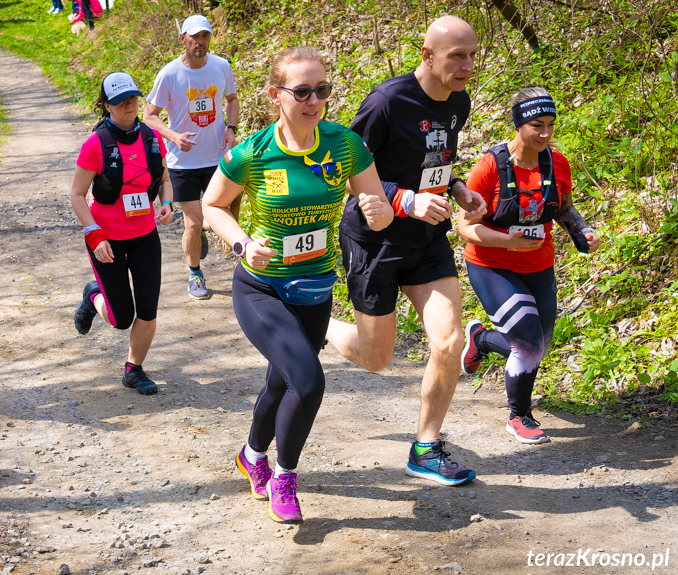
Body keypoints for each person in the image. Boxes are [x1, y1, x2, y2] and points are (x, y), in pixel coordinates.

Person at [203, 46, 392, 523]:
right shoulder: (253, 152)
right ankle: (284, 478)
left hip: (315, 289)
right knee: (307, 383)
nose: (313, 100)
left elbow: (378, 202)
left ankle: (251, 454)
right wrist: (243, 244)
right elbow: (211, 207)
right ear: (275, 95)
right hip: (261, 288)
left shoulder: (344, 144)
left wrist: (380, 211)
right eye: (302, 91)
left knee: (282, 381)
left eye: (321, 91)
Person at [325, 15, 486, 487]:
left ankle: (425, 447)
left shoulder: (459, 102)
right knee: (377, 358)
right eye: (457, 55)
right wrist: (405, 200)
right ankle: (318, 326)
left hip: (427, 241)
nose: (467, 66)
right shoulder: (387, 102)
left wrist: (456, 188)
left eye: (472, 55)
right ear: (427, 55)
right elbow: (347, 169)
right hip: (375, 239)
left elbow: (435, 161)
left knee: (449, 341)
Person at [458, 87, 600, 443]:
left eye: (551, 125)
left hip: (538, 265)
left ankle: (482, 339)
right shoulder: (490, 166)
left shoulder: (557, 162)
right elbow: (464, 227)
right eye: (537, 125)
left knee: (537, 344)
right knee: (529, 345)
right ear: (519, 124)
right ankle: (519, 415)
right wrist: (509, 241)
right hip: (492, 265)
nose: (546, 134)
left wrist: (583, 231)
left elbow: (564, 208)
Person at [70, 72, 174, 396]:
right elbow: (76, 194)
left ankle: (134, 369)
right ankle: (93, 294)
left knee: (147, 309)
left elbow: (165, 179)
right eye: (120, 100)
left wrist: (167, 203)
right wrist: (94, 233)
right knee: (121, 317)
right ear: (106, 106)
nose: (129, 104)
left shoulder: (152, 138)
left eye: (132, 97)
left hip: (145, 235)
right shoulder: (96, 144)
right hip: (107, 240)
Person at [144, 14, 239, 300]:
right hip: (182, 163)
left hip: (216, 158)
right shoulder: (169, 74)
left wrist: (231, 129)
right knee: (193, 223)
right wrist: (174, 137)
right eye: (194, 36)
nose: (200, 42)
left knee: (229, 213)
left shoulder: (221, 66)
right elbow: (149, 116)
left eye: (205, 36)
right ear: (182, 38)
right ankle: (195, 273)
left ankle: (203, 231)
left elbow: (232, 100)